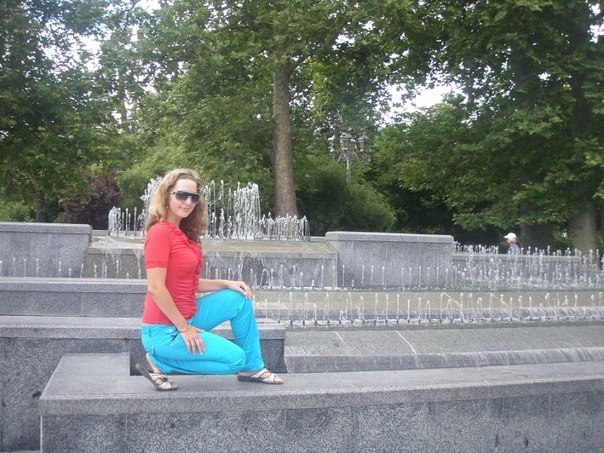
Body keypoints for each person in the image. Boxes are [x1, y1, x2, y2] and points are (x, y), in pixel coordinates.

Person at [137, 168, 283, 390]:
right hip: (163, 331)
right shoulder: (159, 233)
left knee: (238, 299)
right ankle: (160, 362)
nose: (188, 202)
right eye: (181, 195)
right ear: (166, 195)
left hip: (188, 316)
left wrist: (226, 283)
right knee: (235, 359)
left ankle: (253, 368)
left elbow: (187, 283)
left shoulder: (183, 234)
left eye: (193, 197)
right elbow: (156, 287)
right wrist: (184, 329)